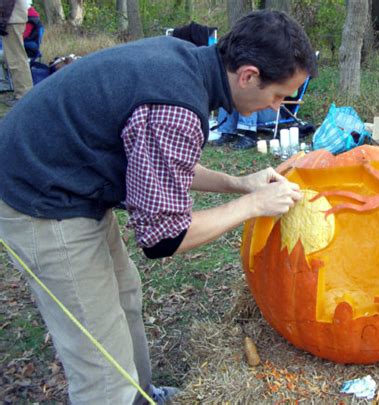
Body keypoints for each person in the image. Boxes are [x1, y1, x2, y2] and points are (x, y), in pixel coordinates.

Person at [0, 10, 316, 404]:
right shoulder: (176, 103)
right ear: (248, 75)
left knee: (125, 295)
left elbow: (162, 160)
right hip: (40, 194)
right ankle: (117, 394)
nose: (277, 109)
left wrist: (239, 183)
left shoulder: (188, 62)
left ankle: (140, 394)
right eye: (279, 96)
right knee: (100, 359)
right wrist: (251, 204)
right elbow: (163, 238)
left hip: (71, 179)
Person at [0, 0, 33, 106]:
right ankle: (21, 93)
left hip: (12, 19)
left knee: (16, 58)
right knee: (14, 57)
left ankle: (23, 95)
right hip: (12, 18)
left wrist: (2, 20)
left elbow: (6, 2)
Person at [213, 107, 277, 149]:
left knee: (248, 89)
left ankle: (250, 136)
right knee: (231, 89)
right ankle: (228, 132)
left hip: (272, 110)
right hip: (259, 109)